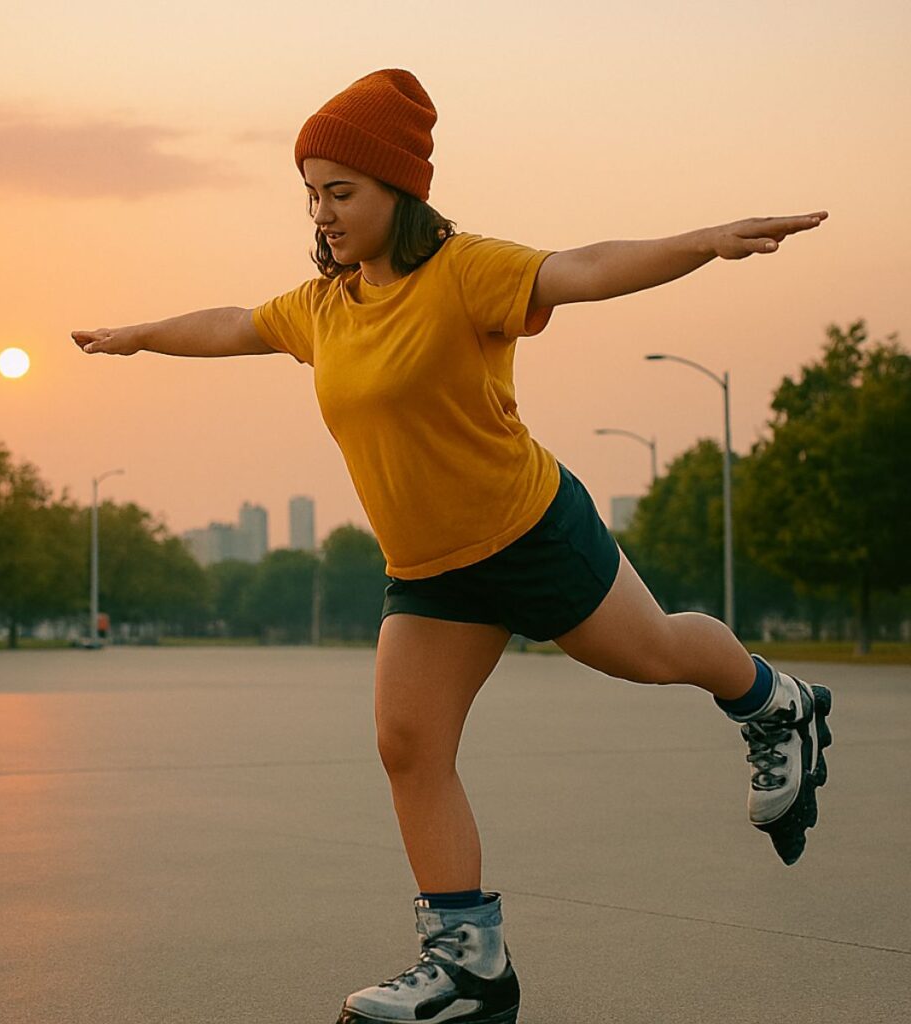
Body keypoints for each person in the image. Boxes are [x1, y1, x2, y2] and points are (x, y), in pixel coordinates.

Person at [72, 68, 833, 1024]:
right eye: (312, 192)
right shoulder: (324, 308)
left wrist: (701, 243)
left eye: (341, 190)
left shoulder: (464, 271)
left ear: (401, 191)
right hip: (430, 570)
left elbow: (581, 268)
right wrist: (140, 335)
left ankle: (775, 703)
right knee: (408, 746)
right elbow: (232, 323)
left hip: (529, 531)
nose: (324, 211)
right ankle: (469, 961)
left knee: (657, 653)